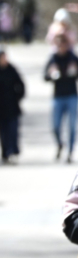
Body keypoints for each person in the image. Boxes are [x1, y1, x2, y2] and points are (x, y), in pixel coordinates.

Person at [0, 49, 26, 164]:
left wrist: (17, 97)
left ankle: (14, 151)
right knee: (3, 133)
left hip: (12, 107)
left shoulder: (12, 70)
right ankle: (5, 153)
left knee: (13, 131)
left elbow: (21, 85)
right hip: (0, 109)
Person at [46, 33, 78, 163]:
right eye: (58, 44)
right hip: (58, 97)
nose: (61, 47)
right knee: (55, 125)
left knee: (72, 126)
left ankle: (70, 152)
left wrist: (75, 71)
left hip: (71, 96)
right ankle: (59, 144)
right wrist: (51, 74)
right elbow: (45, 76)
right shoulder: (53, 59)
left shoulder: (72, 57)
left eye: (63, 44)